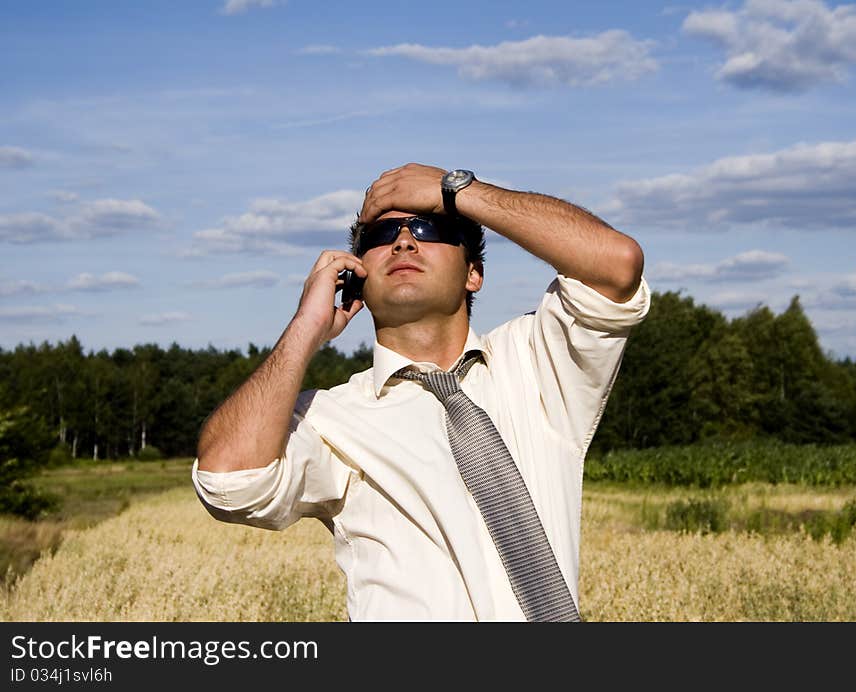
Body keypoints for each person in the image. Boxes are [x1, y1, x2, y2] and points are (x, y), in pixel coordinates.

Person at [192, 163, 651, 621]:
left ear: (474, 273)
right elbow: (228, 481)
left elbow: (616, 265)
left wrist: (455, 191)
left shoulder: (538, 364)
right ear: (355, 276)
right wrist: (305, 328)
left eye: (430, 227)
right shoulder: (332, 418)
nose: (404, 242)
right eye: (382, 235)